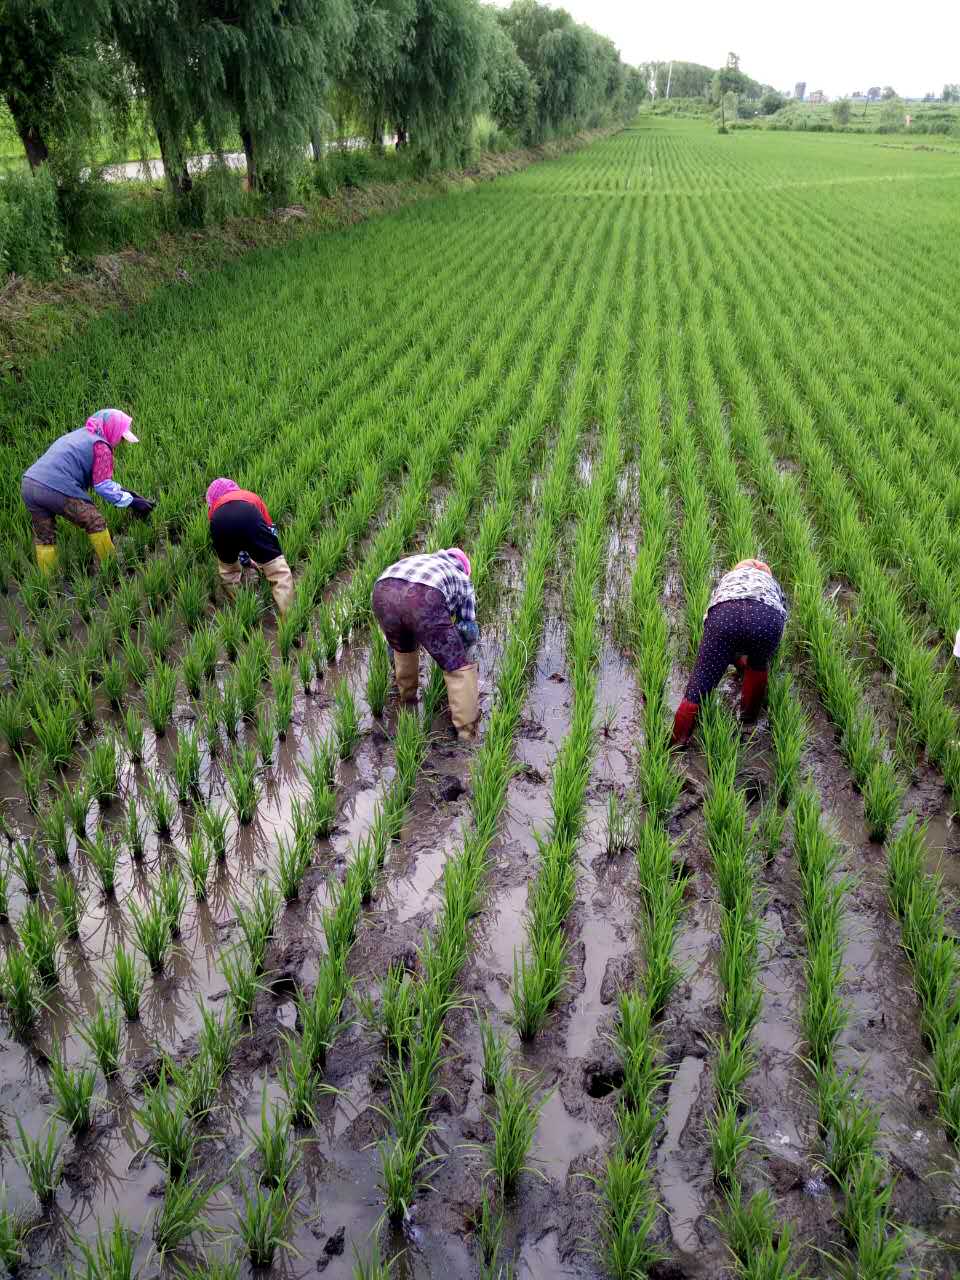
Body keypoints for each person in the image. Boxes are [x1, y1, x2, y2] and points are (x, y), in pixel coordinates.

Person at [672, 558, 787, 748]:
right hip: (767, 617)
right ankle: (748, 720)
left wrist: (718, 654)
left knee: (701, 682)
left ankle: (677, 742)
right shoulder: (772, 585)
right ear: (767, 575)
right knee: (758, 664)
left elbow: (710, 615)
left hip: (725, 615)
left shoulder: (728, 579)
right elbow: (781, 617)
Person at [21, 408, 154, 572]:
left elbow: (91, 476)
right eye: (121, 436)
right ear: (111, 430)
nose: (121, 441)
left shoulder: (80, 436)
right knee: (94, 521)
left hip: (29, 484)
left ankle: (48, 580)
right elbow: (103, 485)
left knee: (44, 536)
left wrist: (127, 493)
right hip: (55, 488)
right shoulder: (101, 446)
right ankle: (111, 565)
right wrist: (132, 501)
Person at [372, 547, 480, 741]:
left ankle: (407, 700)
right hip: (424, 597)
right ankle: (467, 733)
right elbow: (468, 627)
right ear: (464, 568)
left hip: (382, 590)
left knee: (402, 648)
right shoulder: (462, 579)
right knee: (457, 667)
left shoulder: (421, 560)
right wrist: (457, 654)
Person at [205, 478, 294, 615]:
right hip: (249, 513)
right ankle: (289, 615)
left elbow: (234, 540)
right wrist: (270, 555)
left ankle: (240, 605)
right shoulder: (250, 497)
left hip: (219, 522)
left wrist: (245, 561)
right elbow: (269, 530)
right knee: (278, 571)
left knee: (229, 572)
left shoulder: (214, 509)